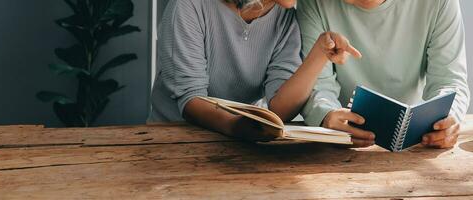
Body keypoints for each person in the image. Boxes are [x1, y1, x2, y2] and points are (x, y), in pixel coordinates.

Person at [149, 0, 364, 143]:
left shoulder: (286, 17)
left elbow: (280, 106)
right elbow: (190, 99)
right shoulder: (189, 5)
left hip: (239, 144)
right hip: (175, 139)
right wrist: (234, 126)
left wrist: (319, 55)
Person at [298, 0, 471, 148]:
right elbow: (317, 84)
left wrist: (448, 118)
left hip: (415, 141)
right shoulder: (314, 3)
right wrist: (327, 115)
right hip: (341, 143)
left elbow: (449, 80)